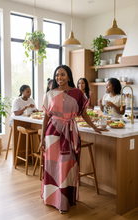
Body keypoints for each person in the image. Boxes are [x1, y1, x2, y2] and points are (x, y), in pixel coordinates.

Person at [40, 65, 106, 214]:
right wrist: (42, 139)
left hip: (70, 133)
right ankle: (51, 198)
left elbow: (83, 114)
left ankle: (65, 200)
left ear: (69, 76)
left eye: (62, 75)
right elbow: (45, 118)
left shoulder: (77, 93)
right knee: (51, 166)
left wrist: (94, 127)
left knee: (68, 166)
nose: (59, 78)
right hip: (52, 134)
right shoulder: (50, 94)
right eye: (57, 75)